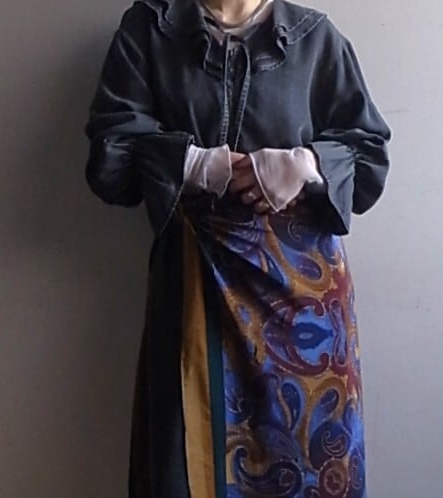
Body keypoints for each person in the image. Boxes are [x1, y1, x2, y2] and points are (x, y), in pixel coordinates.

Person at [83, 0, 391, 496]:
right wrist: (192, 164)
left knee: (312, 470)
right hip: (195, 292)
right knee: (185, 466)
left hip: (305, 310)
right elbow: (110, 159)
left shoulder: (315, 39)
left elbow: (369, 159)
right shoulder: (151, 30)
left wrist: (307, 165)